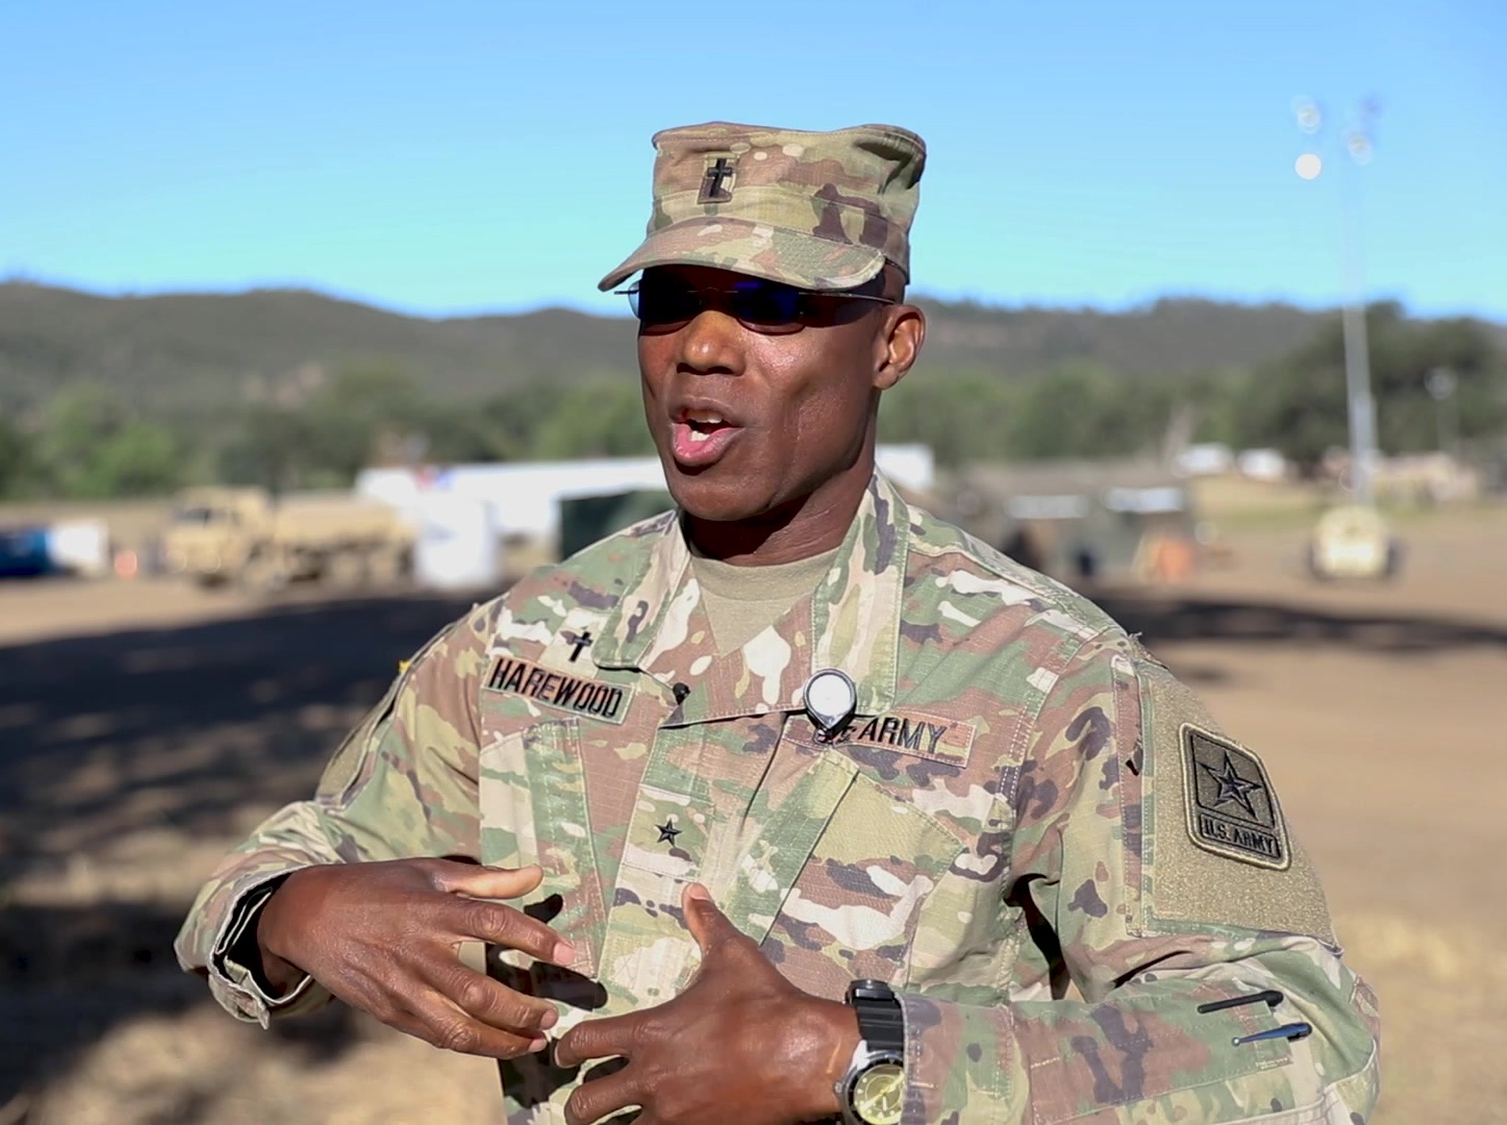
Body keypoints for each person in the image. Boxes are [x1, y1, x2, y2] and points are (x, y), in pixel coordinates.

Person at [175, 122, 1380, 1125]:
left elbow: (1302, 1046)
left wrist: (851, 1056)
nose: (701, 346)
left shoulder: (1056, 683)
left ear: (890, 350)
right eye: (668, 301)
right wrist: (292, 916)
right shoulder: (527, 646)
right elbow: (286, 865)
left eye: (771, 305)